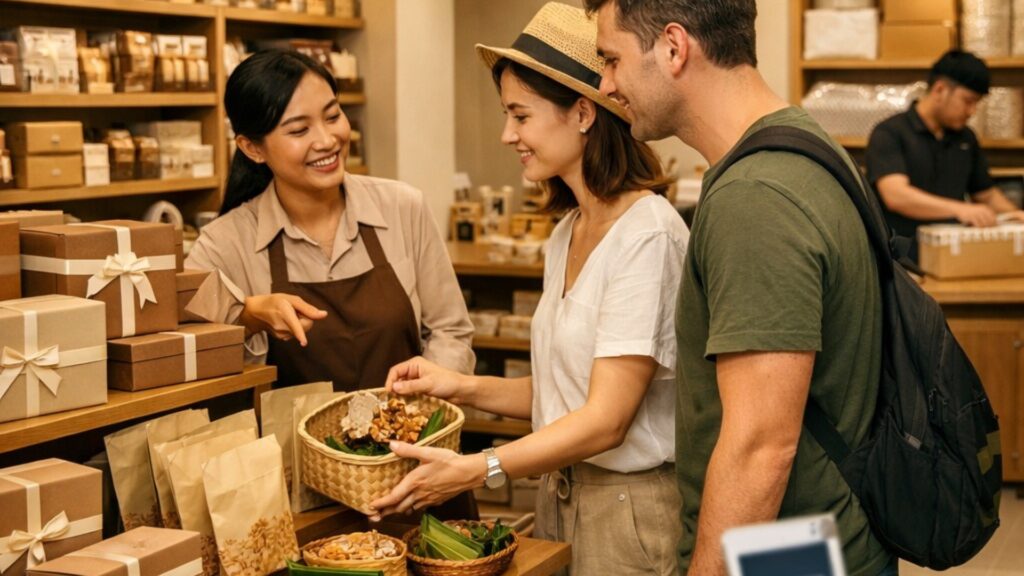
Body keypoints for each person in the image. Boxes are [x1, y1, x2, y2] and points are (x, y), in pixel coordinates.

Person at [368, 4, 689, 575]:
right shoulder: (567, 233)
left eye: (521, 115)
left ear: (583, 113)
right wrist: (459, 386)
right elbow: (566, 392)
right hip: (560, 496)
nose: (507, 134)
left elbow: (606, 419)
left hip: (627, 513)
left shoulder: (648, 234)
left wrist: (480, 468)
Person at [587, 0, 895, 574]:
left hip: (787, 554)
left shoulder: (755, 198)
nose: (607, 84)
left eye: (611, 59)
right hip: (823, 537)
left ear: (674, 48)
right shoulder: (805, 142)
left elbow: (760, 447)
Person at [184, 49, 475, 390]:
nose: (326, 140)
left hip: (411, 434)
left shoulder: (402, 207)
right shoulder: (224, 243)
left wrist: (424, 405)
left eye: (333, 116)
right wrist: (248, 316)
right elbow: (185, 350)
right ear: (252, 149)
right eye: (298, 130)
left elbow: (450, 330)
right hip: (290, 442)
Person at [867, 50, 1024, 262]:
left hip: (954, 254)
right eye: (968, 101)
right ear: (940, 89)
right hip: (899, 261)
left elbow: (986, 194)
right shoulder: (890, 133)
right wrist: (962, 210)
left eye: (977, 103)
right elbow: (896, 196)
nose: (972, 111)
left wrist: (1016, 216)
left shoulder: (966, 138)